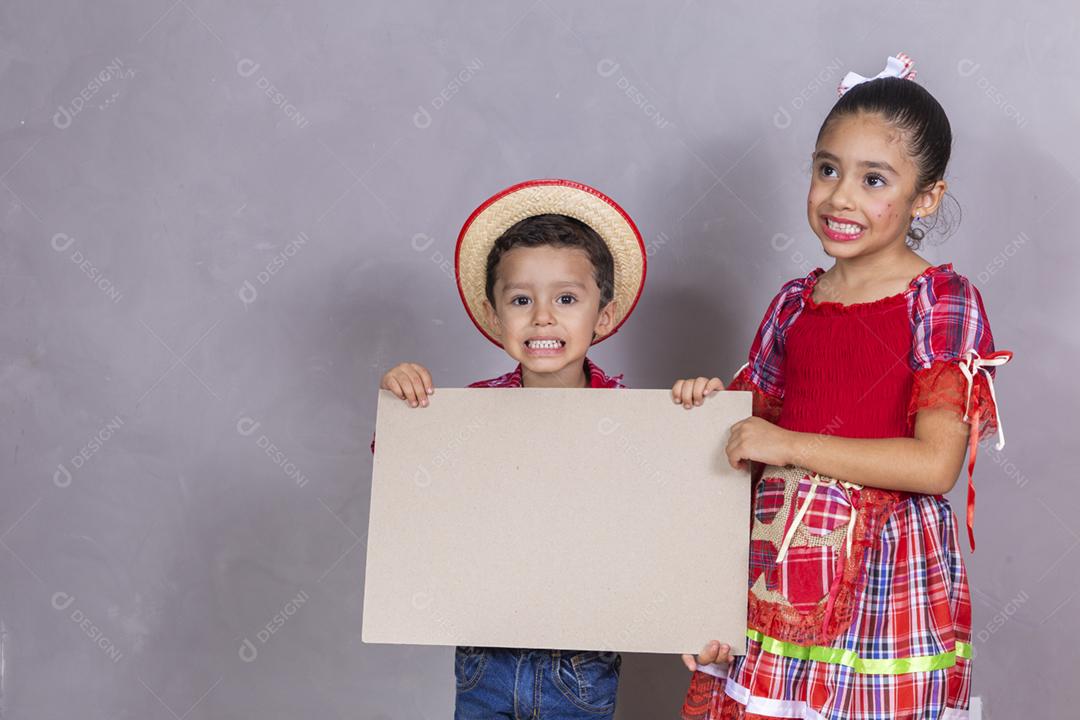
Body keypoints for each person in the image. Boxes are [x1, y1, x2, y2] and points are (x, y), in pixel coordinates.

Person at [672, 54, 1013, 719]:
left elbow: (934, 464)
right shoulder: (793, 305)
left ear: (927, 198)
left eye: (874, 179)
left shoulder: (940, 303)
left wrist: (789, 444)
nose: (840, 198)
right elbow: (742, 451)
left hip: (883, 582)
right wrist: (707, 410)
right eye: (827, 169)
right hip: (778, 568)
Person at [376, 179, 646, 719]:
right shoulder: (467, 415)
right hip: (486, 656)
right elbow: (406, 480)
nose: (543, 317)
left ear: (606, 315)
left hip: (582, 664)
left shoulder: (633, 423)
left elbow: (664, 517)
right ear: (495, 315)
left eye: (566, 299)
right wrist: (403, 410)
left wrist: (695, 409)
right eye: (521, 299)